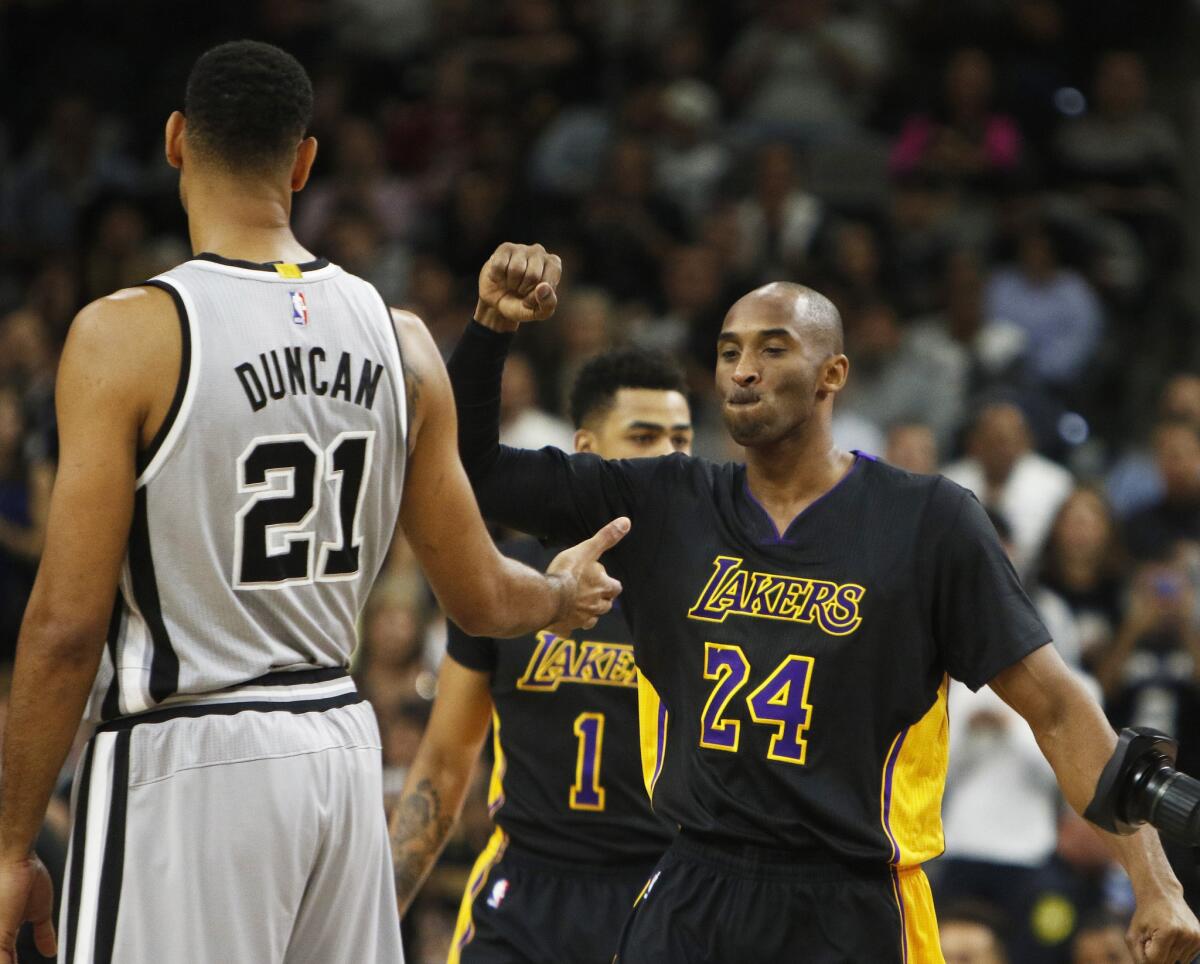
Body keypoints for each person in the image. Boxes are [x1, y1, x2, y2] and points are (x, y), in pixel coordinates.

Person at [0, 43, 626, 964]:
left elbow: (63, 626)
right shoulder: (403, 340)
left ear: (176, 143)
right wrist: (560, 597)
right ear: (304, 163)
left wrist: (12, 844)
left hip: (188, 758)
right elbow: (484, 598)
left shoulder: (125, 334)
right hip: (339, 752)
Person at [449, 241, 1200, 963]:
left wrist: (1154, 882)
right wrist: (491, 327)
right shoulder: (666, 499)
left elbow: (1059, 709)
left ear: (832, 373)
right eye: (729, 350)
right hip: (693, 887)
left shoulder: (929, 521)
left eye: (773, 349)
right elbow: (473, 468)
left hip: (853, 900)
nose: (744, 370)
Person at [390, 347, 693, 963]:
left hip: (660, 887)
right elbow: (446, 762)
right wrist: (377, 912)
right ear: (585, 449)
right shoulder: (505, 581)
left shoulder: (711, 595)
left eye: (681, 438)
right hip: (525, 887)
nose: (668, 456)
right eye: (643, 435)